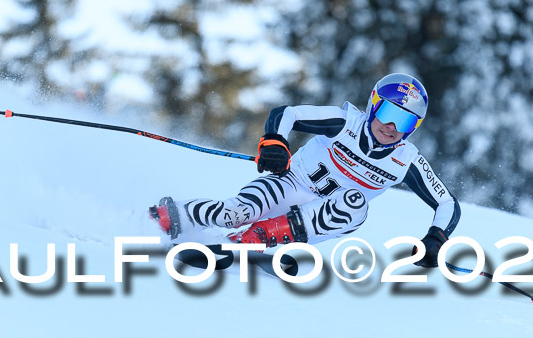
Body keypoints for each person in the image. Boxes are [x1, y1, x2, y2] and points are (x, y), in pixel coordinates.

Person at [149, 73, 460, 267]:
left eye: (406, 122)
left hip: (321, 218)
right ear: (375, 105)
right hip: (290, 183)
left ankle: (256, 239)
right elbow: (288, 113)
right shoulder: (343, 122)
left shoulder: (406, 159)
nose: (393, 127)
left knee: (355, 202)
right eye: (390, 113)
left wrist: (436, 237)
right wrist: (275, 143)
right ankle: (171, 216)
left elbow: (446, 202)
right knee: (238, 211)